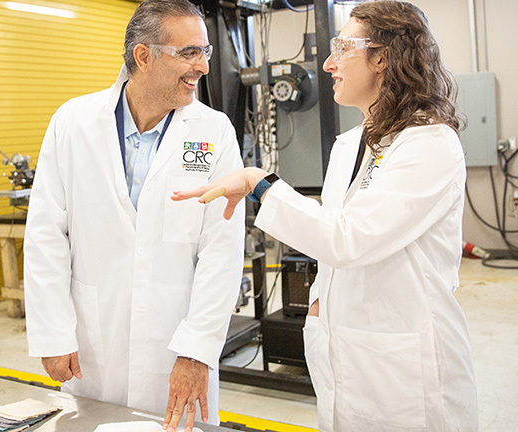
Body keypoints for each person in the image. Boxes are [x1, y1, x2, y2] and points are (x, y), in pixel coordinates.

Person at [173, 2, 478, 431]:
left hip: (407, 365)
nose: (329, 64)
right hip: (345, 354)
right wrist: (319, 307)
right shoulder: (348, 144)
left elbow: (349, 239)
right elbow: (333, 231)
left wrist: (261, 184)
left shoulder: (429, 144)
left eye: (342, 48)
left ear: (383, 57)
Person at [23, 1, 244, 431]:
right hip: (93, 343)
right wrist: (53, 333)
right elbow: (47, 233)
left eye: (205, 52)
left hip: (176, 340)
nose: (202, 65)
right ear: (143, 56)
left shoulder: (213, 131)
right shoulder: (74, 121)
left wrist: (197, 350)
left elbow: (222, 251)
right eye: (189, 52)